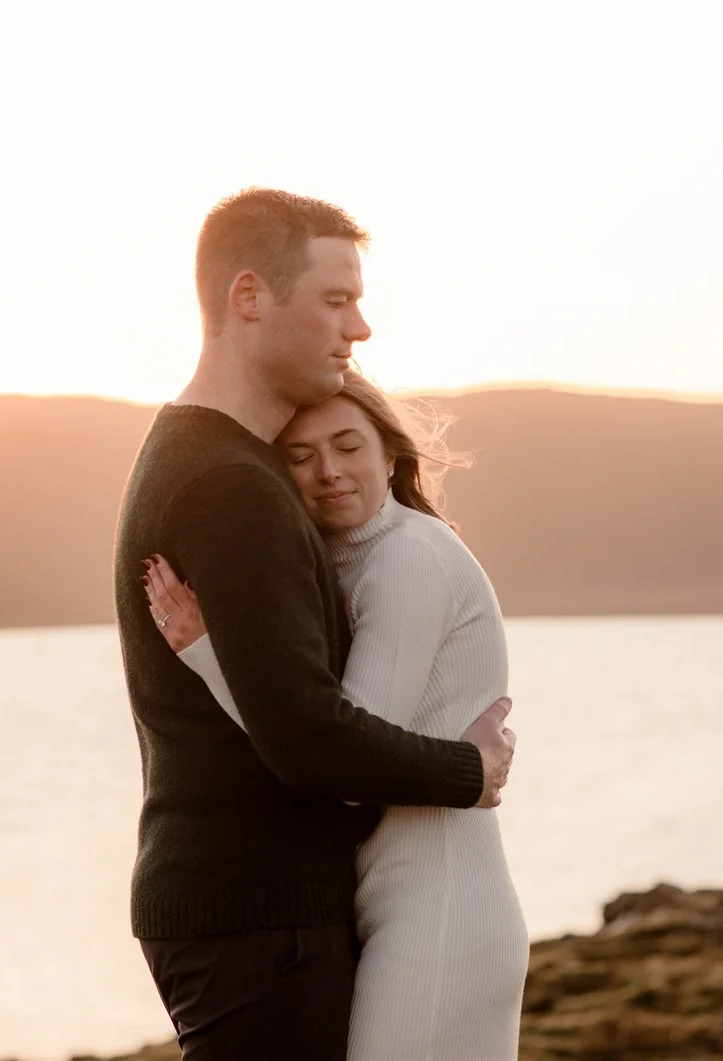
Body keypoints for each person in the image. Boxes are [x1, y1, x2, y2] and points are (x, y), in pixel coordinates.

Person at [111, 188, 516, 1061]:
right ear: (249, 296)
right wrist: (468, 767)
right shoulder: (230, 485)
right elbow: (309, 737)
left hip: (248, 908)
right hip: (257, 914)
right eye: (337, 300)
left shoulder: (217, 461)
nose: (359, 328)